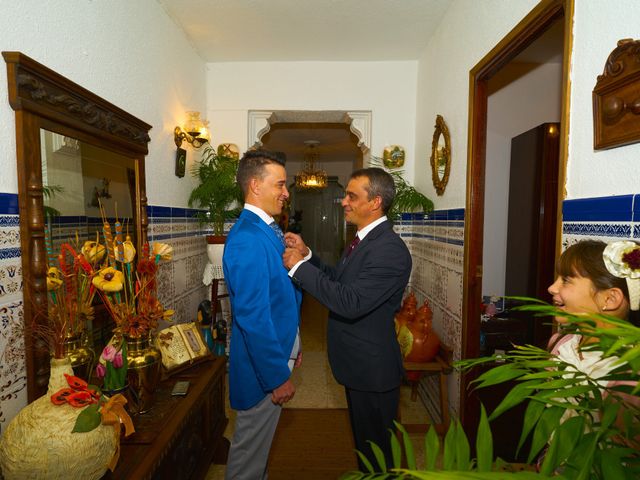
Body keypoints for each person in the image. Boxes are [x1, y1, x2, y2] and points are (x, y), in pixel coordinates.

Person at [283, 167, 411, 470]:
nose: (344, 202)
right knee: (366, 447)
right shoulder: (364, 241)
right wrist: (308, 256)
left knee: (380, 456)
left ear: (375, 202)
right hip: (358, 365)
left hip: (373, 370)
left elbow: (349, 302)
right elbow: (339, 281)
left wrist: (299, 269)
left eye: (352, 196)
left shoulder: (388, 250)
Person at [223, 150, 302, 480]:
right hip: (262, 374)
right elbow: (253, 318)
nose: (286, 192)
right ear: (255, 185)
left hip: (276, 355)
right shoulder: (247, 240)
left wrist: (291, 348)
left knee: (258, 453)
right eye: (280, 184)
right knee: (248, 460)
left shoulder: (265, 230)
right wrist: (276, 375)